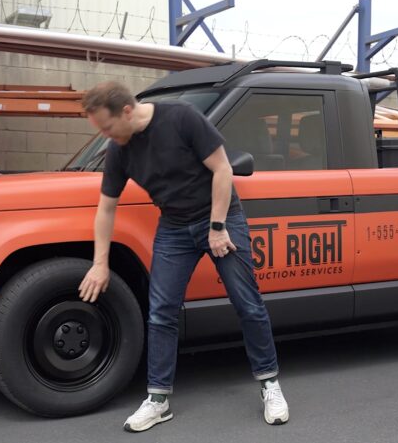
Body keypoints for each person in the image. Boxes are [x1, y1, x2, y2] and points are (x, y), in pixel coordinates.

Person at [77, 81, 289, 432]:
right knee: (161, 312)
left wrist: (217, 227)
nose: (105, 135)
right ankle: (158, 400)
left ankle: (270, 384)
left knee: (247, 303)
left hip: (220, 217)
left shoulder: (181, 118)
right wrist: (100, 263)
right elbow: (106, 208)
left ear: (126, 111)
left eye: (107, 127)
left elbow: (222, 169)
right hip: (174, 227)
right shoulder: (119, 149)